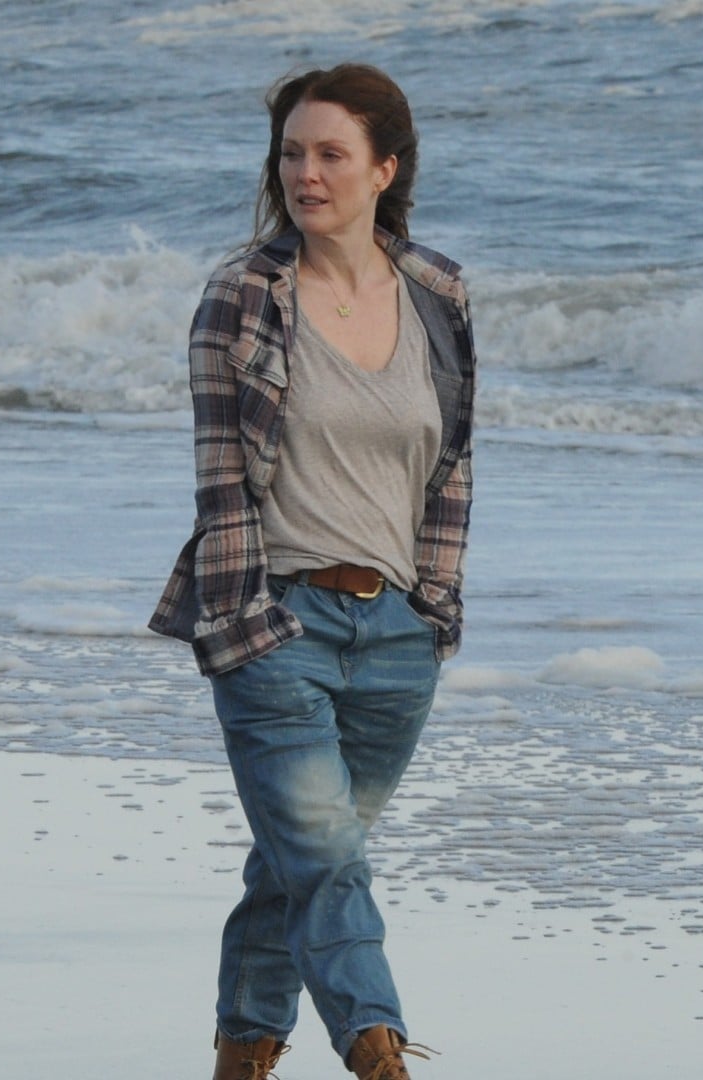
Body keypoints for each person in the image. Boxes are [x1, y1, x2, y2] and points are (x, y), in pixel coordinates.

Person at [149, 63, 475, 1080]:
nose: (306, 173)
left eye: (332, 154)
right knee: (329, 859)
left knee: (298, 863)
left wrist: (434, 610)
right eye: (292, 153)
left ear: (384, 168)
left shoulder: (438, 293)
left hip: (396, 639)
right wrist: (242, 629)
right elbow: (220, 481)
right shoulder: (244, 296)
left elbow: (451, 470)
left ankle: (241, 1058)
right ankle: (379, 1052)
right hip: (276, 622)